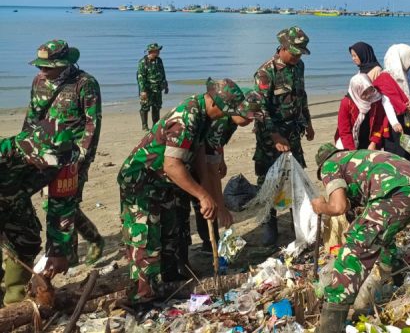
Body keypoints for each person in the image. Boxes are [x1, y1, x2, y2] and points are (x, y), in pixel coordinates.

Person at [117, 79, 249, 304]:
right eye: (227, 111)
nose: (227, 116)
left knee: (171, 233)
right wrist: (202, 195)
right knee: (146, 239)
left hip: (164, 182)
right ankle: (142, 296)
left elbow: (199, 154)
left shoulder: (204, 117)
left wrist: (205, 191)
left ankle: (170, 283)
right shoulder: (186, 118)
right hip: (141, 181)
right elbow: (172, 165)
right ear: (215, 104)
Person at [0, 40, 100, 305]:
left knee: (27, 238)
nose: (47, 167)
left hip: (20, 191)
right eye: (43, 162)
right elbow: (32, 118)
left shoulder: (63, 163)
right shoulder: (5, 154)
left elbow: (62, 206)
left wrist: (58, 249)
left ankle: (15, 302)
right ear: (29, 153)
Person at [312, 144, 410, 330]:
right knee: (380, 236)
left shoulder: (330, 164)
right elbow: (354, 207)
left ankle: (330, 325)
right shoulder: (357, 159)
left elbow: (338, 207)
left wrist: (321, 207)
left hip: (395, 192)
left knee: (355, 250)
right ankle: (396, 278)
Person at [252, 27, 315, 247]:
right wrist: (276, 136)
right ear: (283, 47)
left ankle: (298, 221)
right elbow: (259, 109)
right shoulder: (265, 72)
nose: (298, 57)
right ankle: (269, 226)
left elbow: (301, 96)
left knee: (296, 176)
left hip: (293, 132)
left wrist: (308, 123)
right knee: (269, 181)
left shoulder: (299, 67)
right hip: (270, 137)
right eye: (295, 53)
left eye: (301, 53)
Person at [190, 89, 261, 254]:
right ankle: (210, 244)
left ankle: (211, 243)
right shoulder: (221, 121)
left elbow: (216, 142)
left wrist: (220, 158)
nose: (250, 120)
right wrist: (222, 208)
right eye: (247, 115)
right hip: (188, 160)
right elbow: (210, 172)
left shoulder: (231, 119)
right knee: (204, 201)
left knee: (208, 198)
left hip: (202, 154)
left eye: (253, 117)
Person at [334, 73, 397, 151]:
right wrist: (353, 151)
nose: (368, 96)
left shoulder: (375, 100)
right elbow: (344, 132)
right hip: (350, 141)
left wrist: (373, 142)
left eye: (370, 90)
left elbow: (379, 123)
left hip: (370, 141)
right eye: (364, 93)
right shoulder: (346, 103)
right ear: (357, 91)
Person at [137, 43, 168, 131]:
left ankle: (155, 126)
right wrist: (143, 90)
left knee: (156, 107)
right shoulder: (143, 62)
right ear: (151, 51)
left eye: (158, 50)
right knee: (145, 107)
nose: (159, 52)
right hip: (147, 89)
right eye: (157, 50)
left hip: (157, 89)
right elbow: (141, 77)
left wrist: (165, 85)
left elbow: (163, 73)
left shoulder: (159, 60)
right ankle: (145, 126)